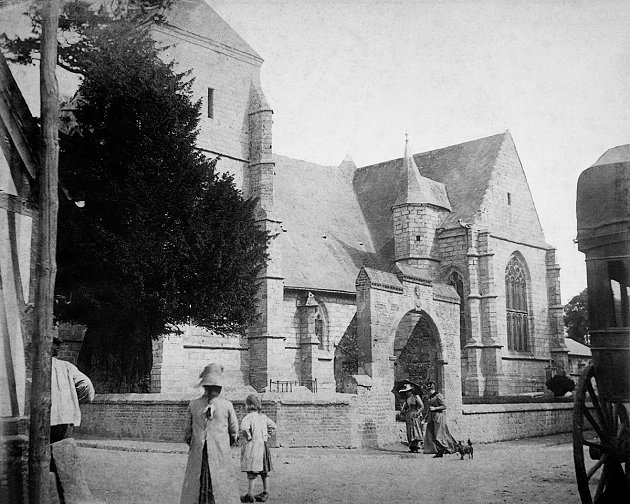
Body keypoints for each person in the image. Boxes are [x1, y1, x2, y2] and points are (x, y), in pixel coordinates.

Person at [180, 364, 240, 504]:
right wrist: (226, 443)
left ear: (204, 387)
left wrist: (195, 442)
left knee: (197, 478)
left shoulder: (193, 404)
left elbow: (187, 433)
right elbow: (234, 431)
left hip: (198, 451)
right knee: (221, 479)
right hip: (220, 451)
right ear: (219, 388)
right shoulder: (227, 405)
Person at [50, 337, 95, 443]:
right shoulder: (67, 366)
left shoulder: (36, 368)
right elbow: (86, 385)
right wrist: (74, 401)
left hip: (45, 419)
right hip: (66, 416)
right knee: (62, 449)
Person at [239, 394, 277, 503]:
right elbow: (273, 426)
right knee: (264, 471)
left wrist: (249, 437)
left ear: (249, 406)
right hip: (263, 446)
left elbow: (244, 428)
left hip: (253, 446)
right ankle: (265, 492)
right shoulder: (263, 417)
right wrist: (268, 435)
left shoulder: (248, 417)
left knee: (252, 471)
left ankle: (250, 494)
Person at [422, 380, 457, 458]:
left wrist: (435, 408)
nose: (427, 392)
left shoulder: (438, 396)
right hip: (432, 417)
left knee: (439, 435)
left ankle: (447, 448)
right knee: (431, 434)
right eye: (427, 391)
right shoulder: (430, 397)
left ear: (432, 389)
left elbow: (444, 406)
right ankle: (437, 450)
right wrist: (425, 418)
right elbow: (428, 409)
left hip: (438, 417)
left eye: (428, 390)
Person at [399, 383, 424, 453]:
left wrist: (418, 413)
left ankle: (417, 446)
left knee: (415, 430)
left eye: (408, 391)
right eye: (406, 392)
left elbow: (422, 406)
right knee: (410, 431)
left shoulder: (416, 397)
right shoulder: (407, 399)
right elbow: (406, 407)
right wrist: (403, 410)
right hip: (408, 415)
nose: (407, 393)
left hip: (415, 415)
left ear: (411, 391)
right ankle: (412, 447)